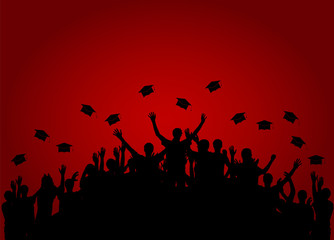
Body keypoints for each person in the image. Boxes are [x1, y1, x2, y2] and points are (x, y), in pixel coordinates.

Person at [148, 112, 207, 188]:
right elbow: (194, 133)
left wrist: (153, 121)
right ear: (180, 135)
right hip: (179, 171)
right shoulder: (181, 144)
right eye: (181, 133)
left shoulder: (169, 144)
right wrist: (202, 123)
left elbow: (158, 134)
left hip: (172, 171)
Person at [311, 172, 333, 240]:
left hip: (318, 228)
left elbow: (315, 196)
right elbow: (317, 197)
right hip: (326, 229)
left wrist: (314, 183)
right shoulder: (330, 204)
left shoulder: (320, 203)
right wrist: (318, 186)